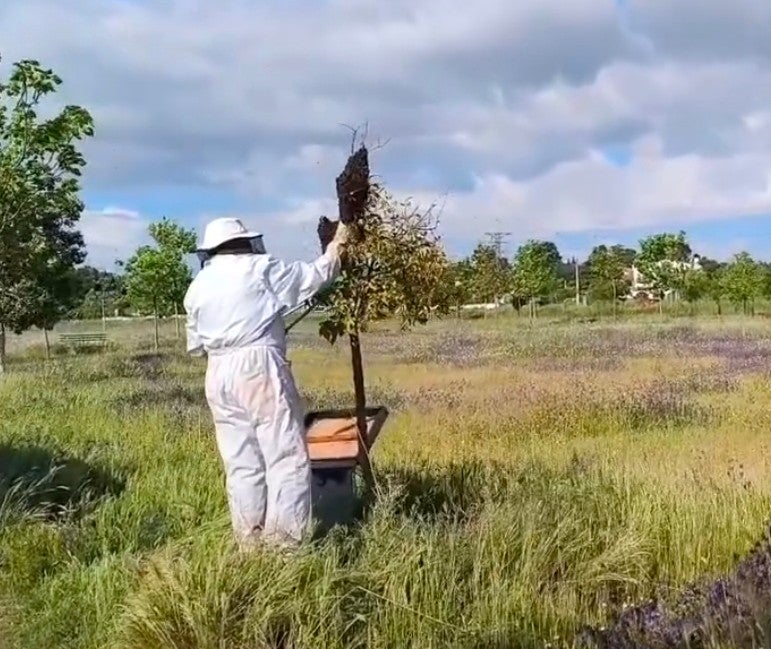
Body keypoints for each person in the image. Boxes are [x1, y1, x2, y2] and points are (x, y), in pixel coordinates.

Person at [183, 217, 349, 549]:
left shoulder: (198, 286)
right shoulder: (259, 268)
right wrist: (337, 246)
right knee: (286, 458)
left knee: (242, 462)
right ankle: (284, 548)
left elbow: (197, 346)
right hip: (258, 369)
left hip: (218, 374)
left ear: (211, 250)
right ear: (244, 243)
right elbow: (312, 277)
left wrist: (256, 327)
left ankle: (250, 543)